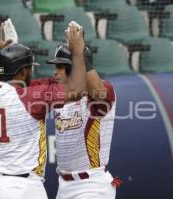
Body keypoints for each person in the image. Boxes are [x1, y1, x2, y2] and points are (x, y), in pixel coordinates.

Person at [0, 20, 87, 199]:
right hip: (20, 187)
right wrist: (77, 52)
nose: (31, 72)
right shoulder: (31, 98)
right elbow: (77, 90)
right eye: (29, 68)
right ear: (22, 72)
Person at [46, 43, 121, 199]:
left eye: (61, 66)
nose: (56, 71)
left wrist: (81, 57)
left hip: (91, 186)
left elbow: (101, 93)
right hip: (64, 185)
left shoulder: (98, 92)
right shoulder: (63, 93)